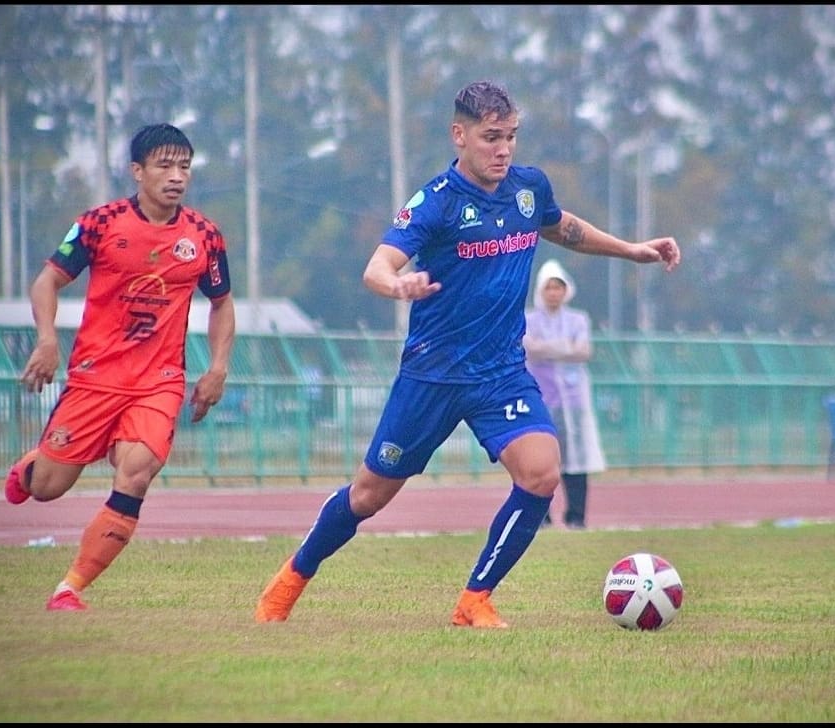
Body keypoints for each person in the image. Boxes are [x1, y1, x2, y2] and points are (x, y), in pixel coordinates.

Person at [254, 80, 680, 629]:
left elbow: (564, 229)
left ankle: (474, 599)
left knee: (541, 475)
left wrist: (632, 251)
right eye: (490, 138)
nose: (503, 149)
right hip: (432, 374)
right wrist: (397, 286)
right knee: (368, 495)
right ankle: (289, 582)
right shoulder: (436, 202)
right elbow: (377, 266)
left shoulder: (528, 188)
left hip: (501, 372)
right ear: (460, 135)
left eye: (511, 137)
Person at [5, 123, 236, 611]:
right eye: (164, 166)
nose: (176, 176)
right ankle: (30, 469)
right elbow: (45, 283)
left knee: (136, 473)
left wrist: (217, 368)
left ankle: (69, 589)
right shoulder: (99, 223)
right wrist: (47, 342)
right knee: (48, 488)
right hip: (94, 377)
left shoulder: (203, 236)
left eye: (185, 167)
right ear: (138, 171)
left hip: (159, 382)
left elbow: (221, 303)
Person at [523, 259, 606, 529]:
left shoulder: (577, 319)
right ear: (541, 291)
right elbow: (529, 349)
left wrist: (549, 348)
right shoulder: (529, 319)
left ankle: (576, 516)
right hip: (542, 400)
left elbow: (583, 351)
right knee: (541, 461)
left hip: (574, 402)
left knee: (576, 461)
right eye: (549, 288)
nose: (554, 293)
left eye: (558, 287)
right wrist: (564, 348)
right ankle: (541, 517)